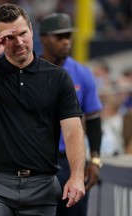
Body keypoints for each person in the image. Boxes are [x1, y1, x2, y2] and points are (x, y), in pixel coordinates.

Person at [0, 3, 86, 216]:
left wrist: (77, 176)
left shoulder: (58, 78)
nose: (19, 42)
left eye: (23, 33)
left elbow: (73, 131)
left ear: (31, 29)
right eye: (10, 38)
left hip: (42, 185)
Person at [38, 13, 103, 216]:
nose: (66, 41)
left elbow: (93, 119)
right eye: (60, 37)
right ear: (43, 38)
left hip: (70, 160)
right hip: (36, 159)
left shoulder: (82, 73)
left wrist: (94, 160)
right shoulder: (30, 70)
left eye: (68, 36)